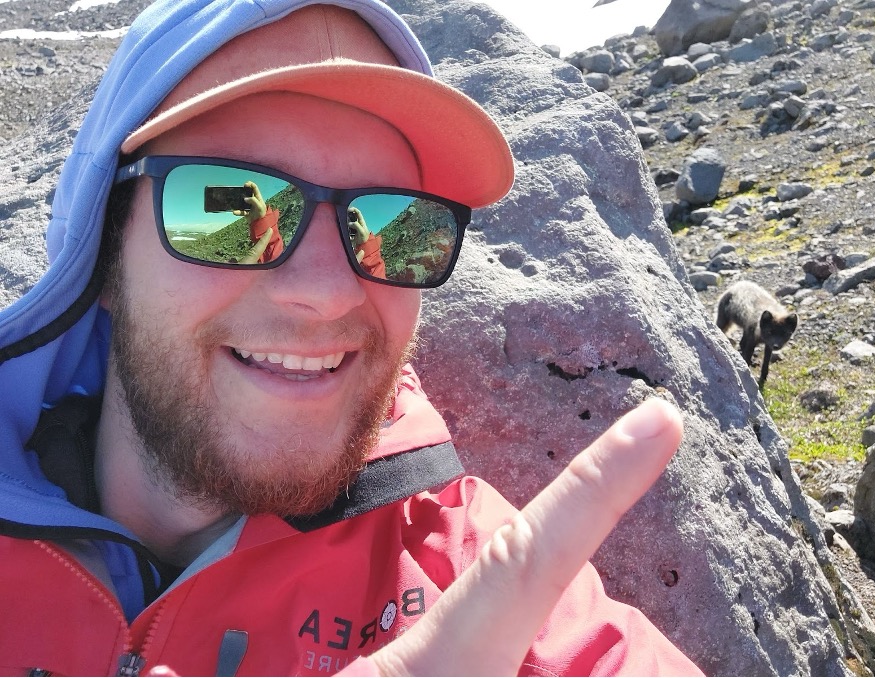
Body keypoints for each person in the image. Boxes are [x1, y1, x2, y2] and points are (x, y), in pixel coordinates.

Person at [0, 0, 703, 675]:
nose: (330, 291)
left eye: (396, 227)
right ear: (104, 252)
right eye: (229, 208)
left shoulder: (472, 590)